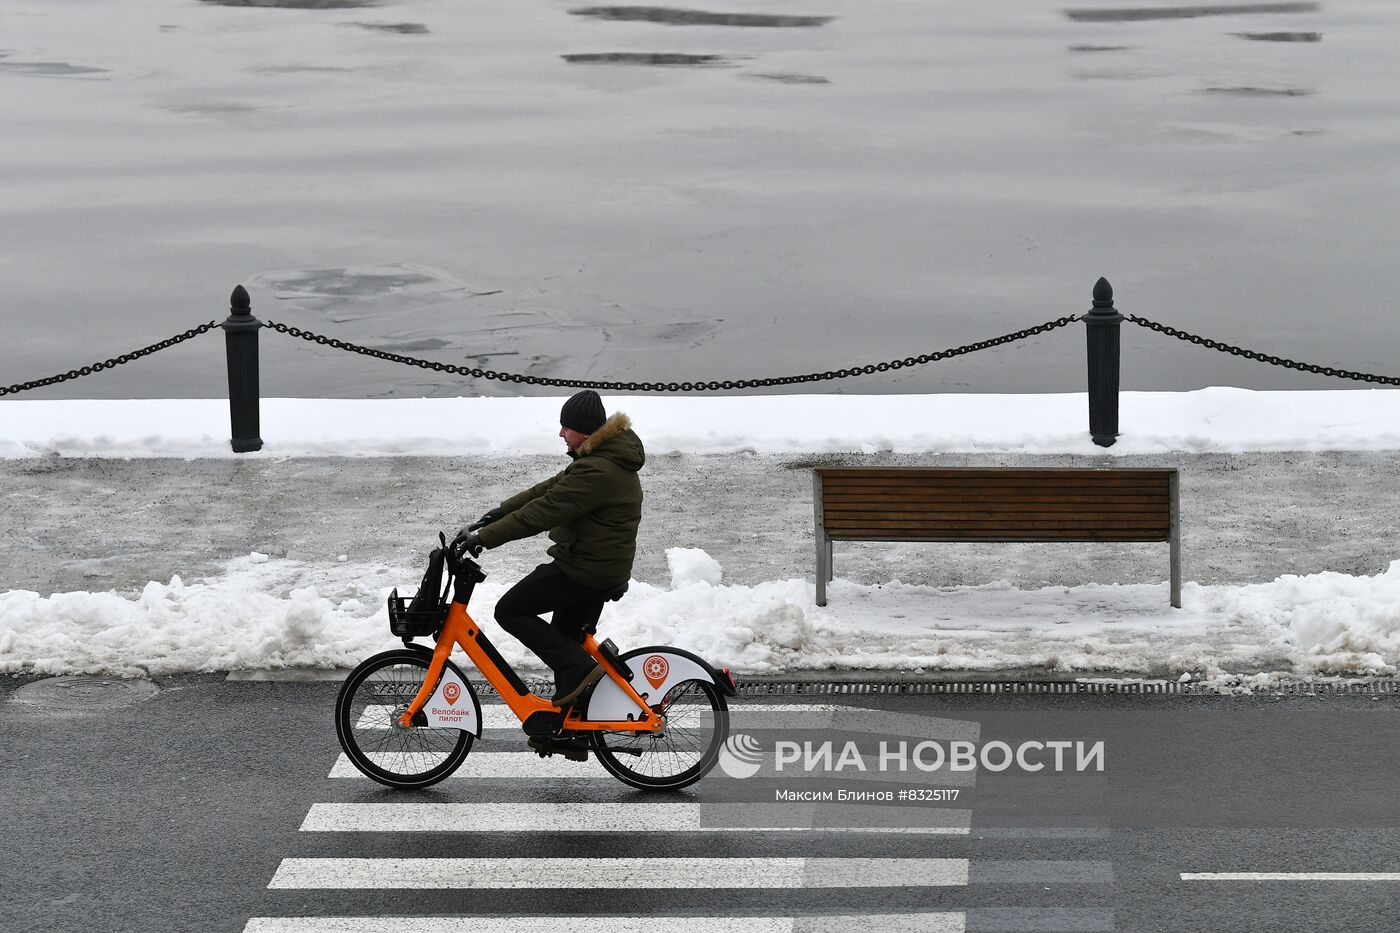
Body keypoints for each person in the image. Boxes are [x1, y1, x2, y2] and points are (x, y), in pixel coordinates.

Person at [451, 390, 645, 707]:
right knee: (565, 641)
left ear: (584, 430)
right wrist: (498, 513)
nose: (560, 434)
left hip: (586, 568)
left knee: (511, 610)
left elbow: (542, 512)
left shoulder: (598, 471)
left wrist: (484, 538)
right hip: (597, 564)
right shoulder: (600, 458)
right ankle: (572, 728)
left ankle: (582, 669)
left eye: (566, 427)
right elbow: (548, 489)